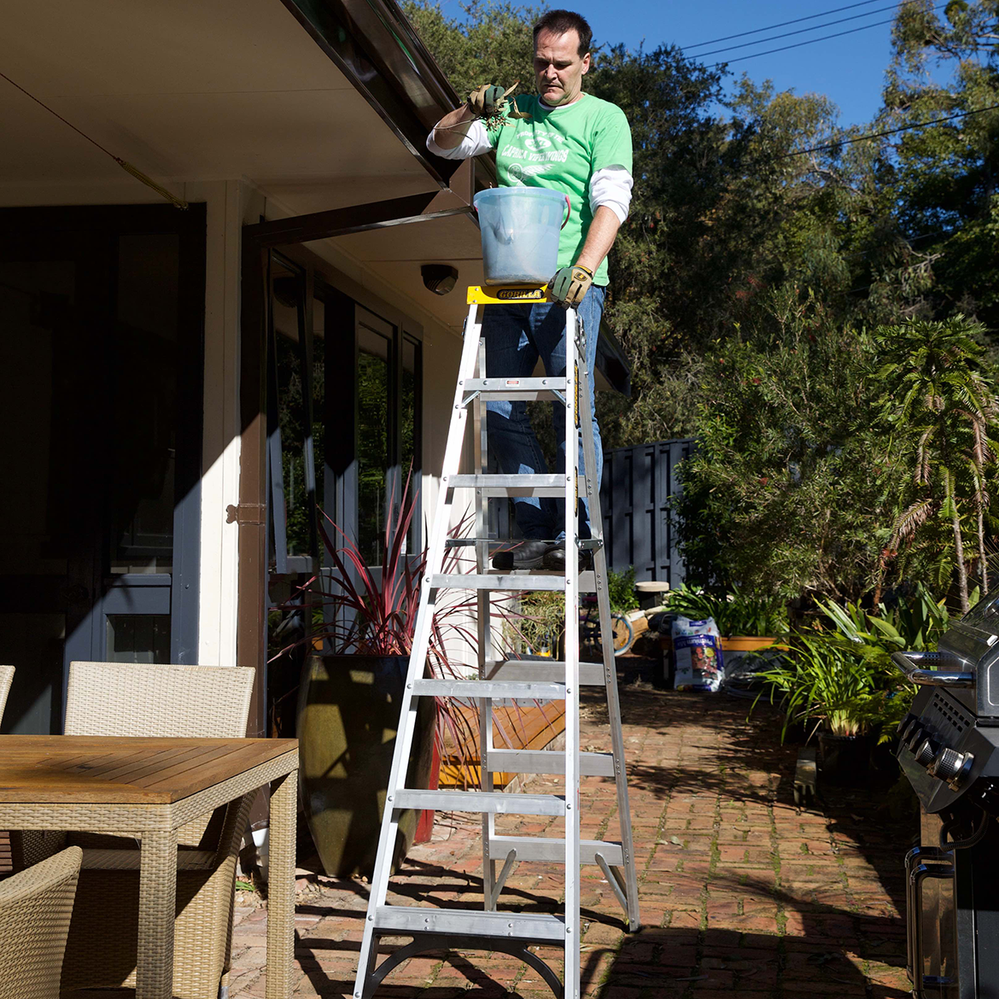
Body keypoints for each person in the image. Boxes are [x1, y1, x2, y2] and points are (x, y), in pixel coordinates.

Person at [428, 9, 633, 570]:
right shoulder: (510, 118)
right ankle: (539, 527)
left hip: (571, 286)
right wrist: (471, 107)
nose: (550, 74)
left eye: (562, 64)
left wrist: (586, 268)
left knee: (572, 407)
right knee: (500, 408)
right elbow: (441, 144)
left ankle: (580, 529)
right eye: (542, 62)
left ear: (585, 63)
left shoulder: (604, 119)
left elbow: (612, 202)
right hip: (507, 287)